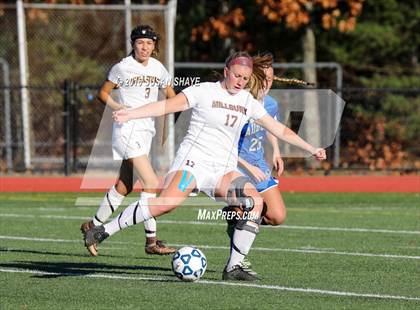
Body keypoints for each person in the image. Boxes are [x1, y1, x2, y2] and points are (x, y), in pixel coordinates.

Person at [83, 51, 326, 281]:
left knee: (254, 200)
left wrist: (311, 148)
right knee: (166, 204)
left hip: (222, 170)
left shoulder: (247, 101)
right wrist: (131, 114)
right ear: (226, 71)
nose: (240, 81)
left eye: (245, 78)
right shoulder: (203, 91)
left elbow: (279, 129)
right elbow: (167, 106)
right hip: (192, 164)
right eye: (236, 75)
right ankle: (102, 231)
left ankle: (234, 266)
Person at [80, 25, 176, 256]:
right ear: (133, 44)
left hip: (145, 132)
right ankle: (151, 242)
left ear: (155, 47)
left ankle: (91, 226)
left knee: (124, 186)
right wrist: (116, 105)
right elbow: (103, 93)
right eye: (141, 42)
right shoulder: (122, 67)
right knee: (152, 182)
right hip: (126, 131)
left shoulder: (158, 68)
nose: (145, 47)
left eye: (149, 43)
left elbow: (172, 96)